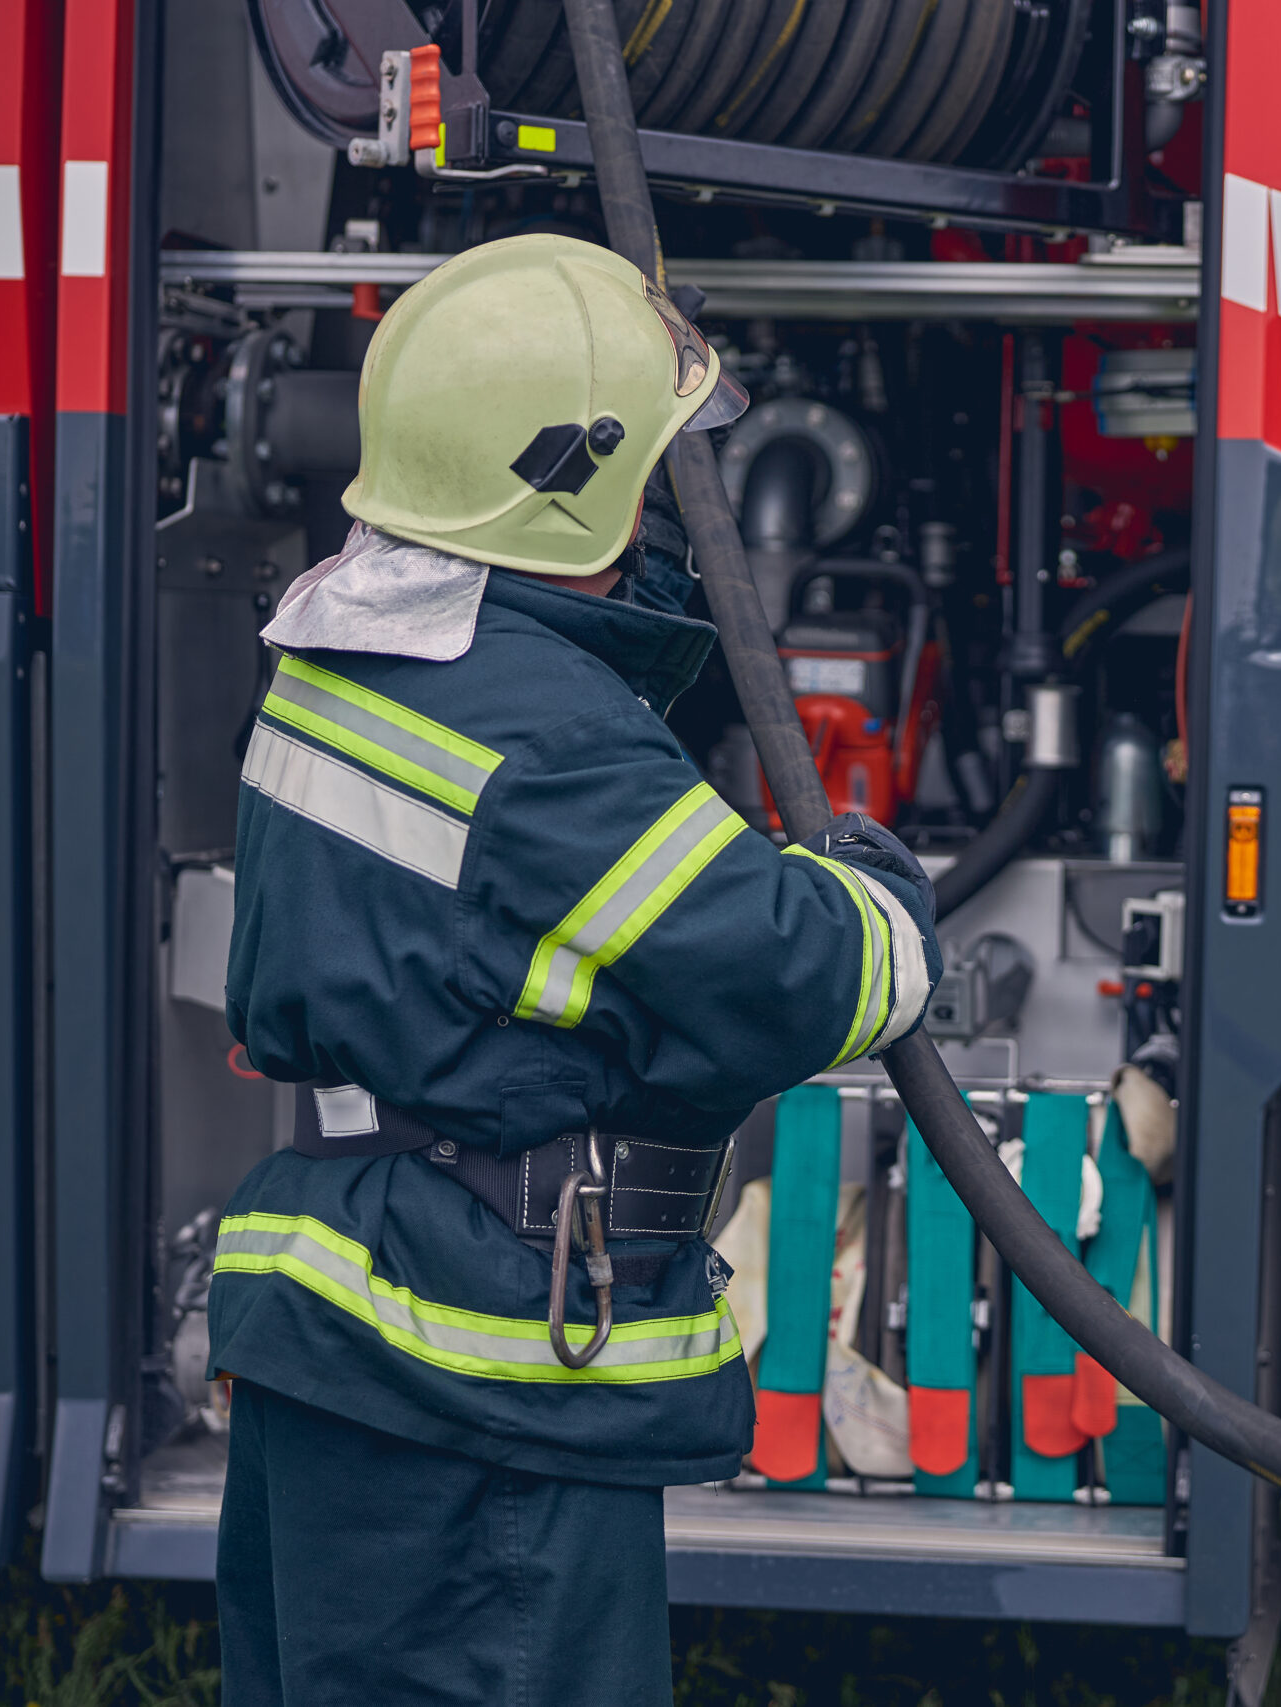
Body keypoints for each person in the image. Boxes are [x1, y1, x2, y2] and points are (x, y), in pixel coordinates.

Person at [205, 233, 938, 1705]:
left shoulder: (341, 645)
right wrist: (875, 882)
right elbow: (799, 976)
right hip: (485, 1389)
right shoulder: (539, 733)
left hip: (348, 1331)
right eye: (657, 466)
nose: (676, 502)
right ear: (576, 474)